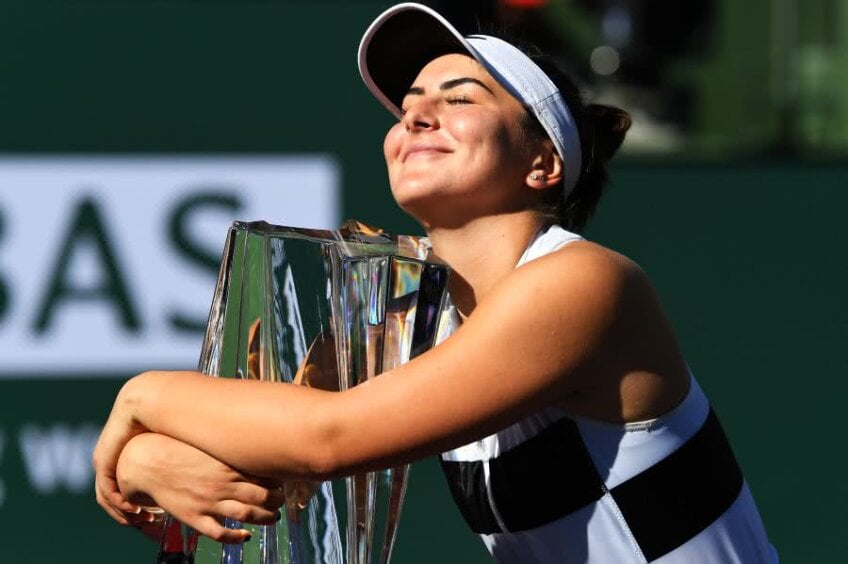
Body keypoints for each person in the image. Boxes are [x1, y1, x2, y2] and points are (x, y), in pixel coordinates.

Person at [94, 3, 777, 562]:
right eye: (408, 105)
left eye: (460, 99)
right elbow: (266, 461)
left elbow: (325, 440)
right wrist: (148, 461)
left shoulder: (583, 281)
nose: (417, 115)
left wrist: (140, 395)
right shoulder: (403, 313)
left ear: (543, 161)